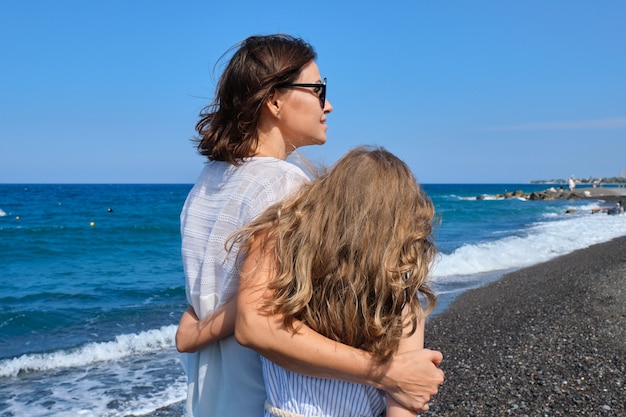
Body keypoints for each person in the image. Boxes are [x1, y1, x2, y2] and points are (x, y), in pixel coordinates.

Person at [177, 34, 443, 417]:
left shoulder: (204, 185)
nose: (329, 105)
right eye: (318, 90)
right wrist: (387, 372)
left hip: (206, 398)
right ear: (274, 100)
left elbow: (213, 301)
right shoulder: (285, 186)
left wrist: (192, 334)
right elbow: (260, 321)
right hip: (265, 398)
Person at [234, 146, 438, 417]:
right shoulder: (402, 301)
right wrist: (386, 373)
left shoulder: (279, 250)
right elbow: (402, 408)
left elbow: (251, 323)